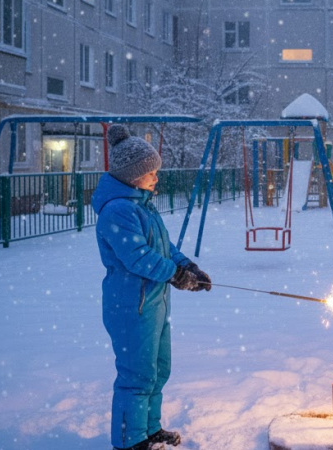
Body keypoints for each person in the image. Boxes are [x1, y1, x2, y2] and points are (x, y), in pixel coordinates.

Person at [92, 124, 212, 450]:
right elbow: (137, 257)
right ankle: (130, 442)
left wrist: (187, 265)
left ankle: (149, 430)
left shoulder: (141, 205)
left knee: (158, 370)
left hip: (154, 301)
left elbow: (163, 247)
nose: (156, 178)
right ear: (133, 175)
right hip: (131, 304)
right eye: (151, 173)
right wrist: (174, 274)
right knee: (136, 375)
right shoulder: (118, 211)